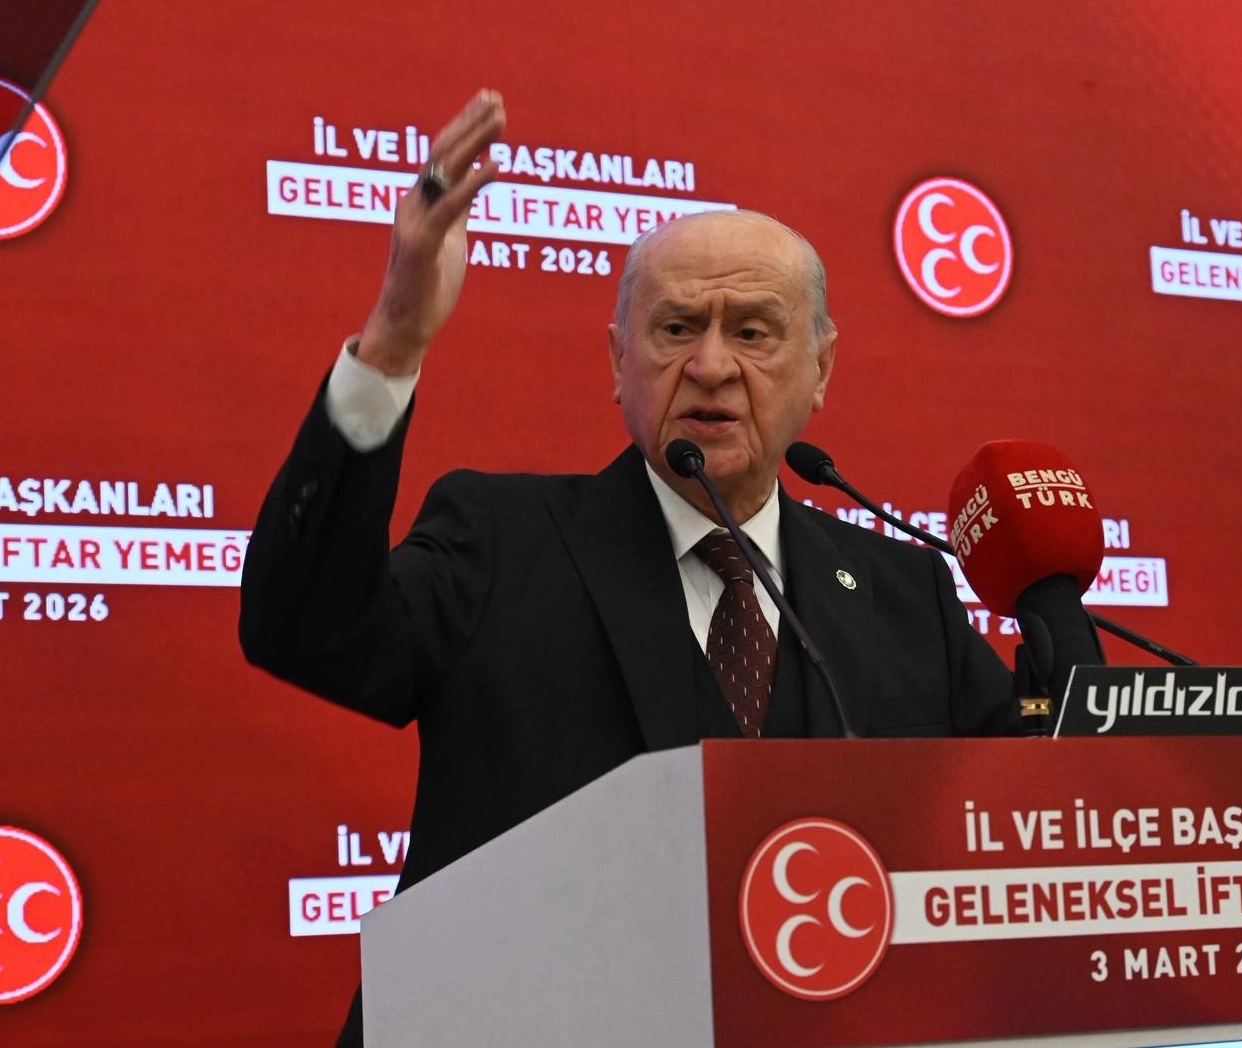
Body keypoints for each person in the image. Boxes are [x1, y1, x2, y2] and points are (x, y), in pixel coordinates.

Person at [238, 89, 1016, 1047]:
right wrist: (392, 344)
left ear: (821, 369)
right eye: (676, 328)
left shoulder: (903, 594)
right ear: (618, 363)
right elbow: (303, 630)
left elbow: (1023, 825)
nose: (712, 365)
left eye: (753, 332)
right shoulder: (499, 540)